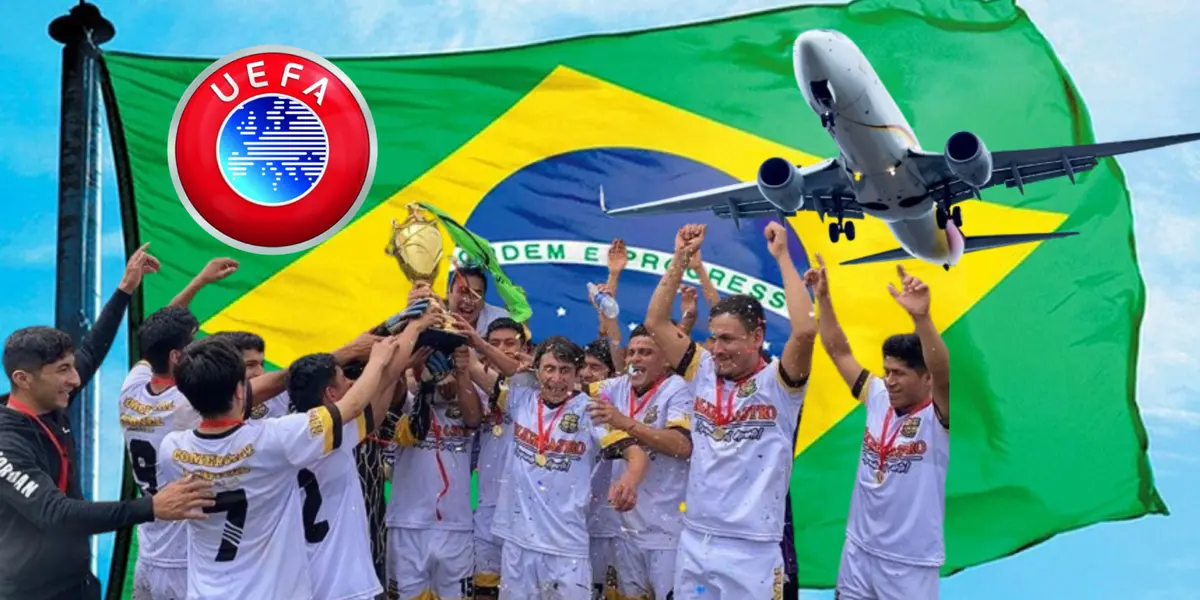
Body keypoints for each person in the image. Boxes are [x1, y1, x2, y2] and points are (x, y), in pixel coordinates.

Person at [157, 316, 422, 599]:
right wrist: (381, 358)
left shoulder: (172, 450)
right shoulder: (275, 439)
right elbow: (353, 405)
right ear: (239, 389)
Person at [643, 223, 817, 600]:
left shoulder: (780, 384)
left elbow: (804, 332)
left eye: (728, 339)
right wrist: (679, 258)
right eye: (713, 337)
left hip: (753, 548)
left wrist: (783, 257)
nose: (717, 349)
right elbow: (655, 322)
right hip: (696, 538)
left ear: (757, 337)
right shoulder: (702, 369)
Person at [0, 325, 215, 600]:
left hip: (78, 585)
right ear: (23, 379)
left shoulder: (48, 402)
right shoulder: (6, 443)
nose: (76, 379)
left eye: (72, 367)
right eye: (63, 369)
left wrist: (125, 289)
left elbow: (92, 350)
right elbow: (55, 513)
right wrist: (151, 507)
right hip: (30, 594)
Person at [807, 256, 951, 600]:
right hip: (858, 550)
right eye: (886, 371)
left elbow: (943, 369)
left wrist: (922, 318)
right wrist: (823, 298)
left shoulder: (938, 416)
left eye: (899, 373)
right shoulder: (877, 396)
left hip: (909, 563)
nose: (889, 381)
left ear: (925, 378)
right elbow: (838, 350)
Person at [493, 336, 650, 600]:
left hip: (567, 548)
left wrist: (629, 482)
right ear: (537, 371)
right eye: (549, 369)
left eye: (565, 370)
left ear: (577, 374)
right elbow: (482, 370)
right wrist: (476, 341)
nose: (556, 378)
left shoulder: (592, 411)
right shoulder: (520, 397)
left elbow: (637, 456)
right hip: (518, 542)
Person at [285, 347, 410, 600]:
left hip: (298, 575)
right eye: (346, 379)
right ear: (330, 394)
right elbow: (379, 391)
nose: (353, 383)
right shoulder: (340, 433)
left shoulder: (281, 435)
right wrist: (409, 334)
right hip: (341, 579)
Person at [585, 325, 693, 600]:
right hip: (625, 530)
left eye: (645, 353)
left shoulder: (678, 389)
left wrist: (625, 423)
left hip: (667, 534)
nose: (635, 359)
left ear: (666, 359)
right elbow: (571, 388)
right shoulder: (615, 387)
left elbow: (682, 446)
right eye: (632, 353)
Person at [386, 343, 485, 600]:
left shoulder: (468, 399)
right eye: (428, 360)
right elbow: (395, 387)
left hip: (457, 528)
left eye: (443, 361)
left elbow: (474, 419)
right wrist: (416, 372)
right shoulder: (403, 400)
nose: (437, 368)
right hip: (407, 526)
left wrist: (462, 371)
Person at [464, 318, 529, 599]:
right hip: (488, 501)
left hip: (526, 508)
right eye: (495, 343)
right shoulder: (474, 385)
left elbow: (498, 382)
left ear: (524, 347)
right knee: (484, 590)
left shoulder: (534, 381)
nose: (503, 349)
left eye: (510, 343)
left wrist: (472, 348)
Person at [448, 264, 511, 336]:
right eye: (463, 292)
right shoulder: (437, 319)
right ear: (449, 293)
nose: (468, 301)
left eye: (476, 295)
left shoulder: (501, 319)